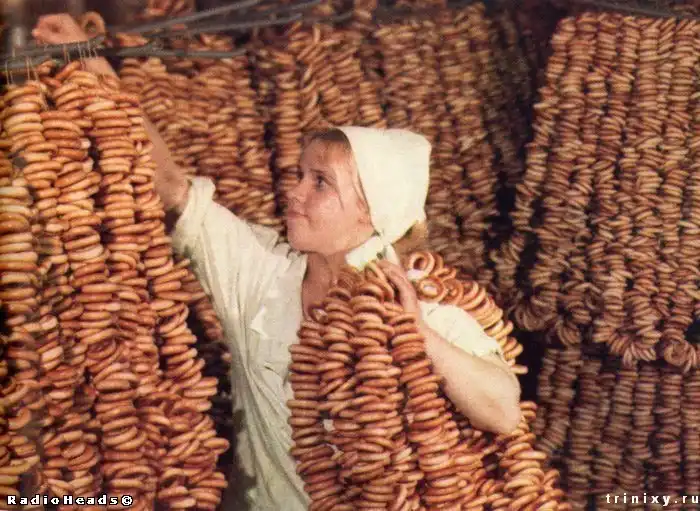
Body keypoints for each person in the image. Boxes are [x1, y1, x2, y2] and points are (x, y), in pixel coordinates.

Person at [34, 14, 522, 510]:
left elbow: (503, 411)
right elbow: (173, 188)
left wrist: (418, 336)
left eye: (320, 182)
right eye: (299, 175)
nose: (295, 192)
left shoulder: (425, 304)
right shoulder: (261, 273)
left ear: (373, 211)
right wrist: (84, 56)